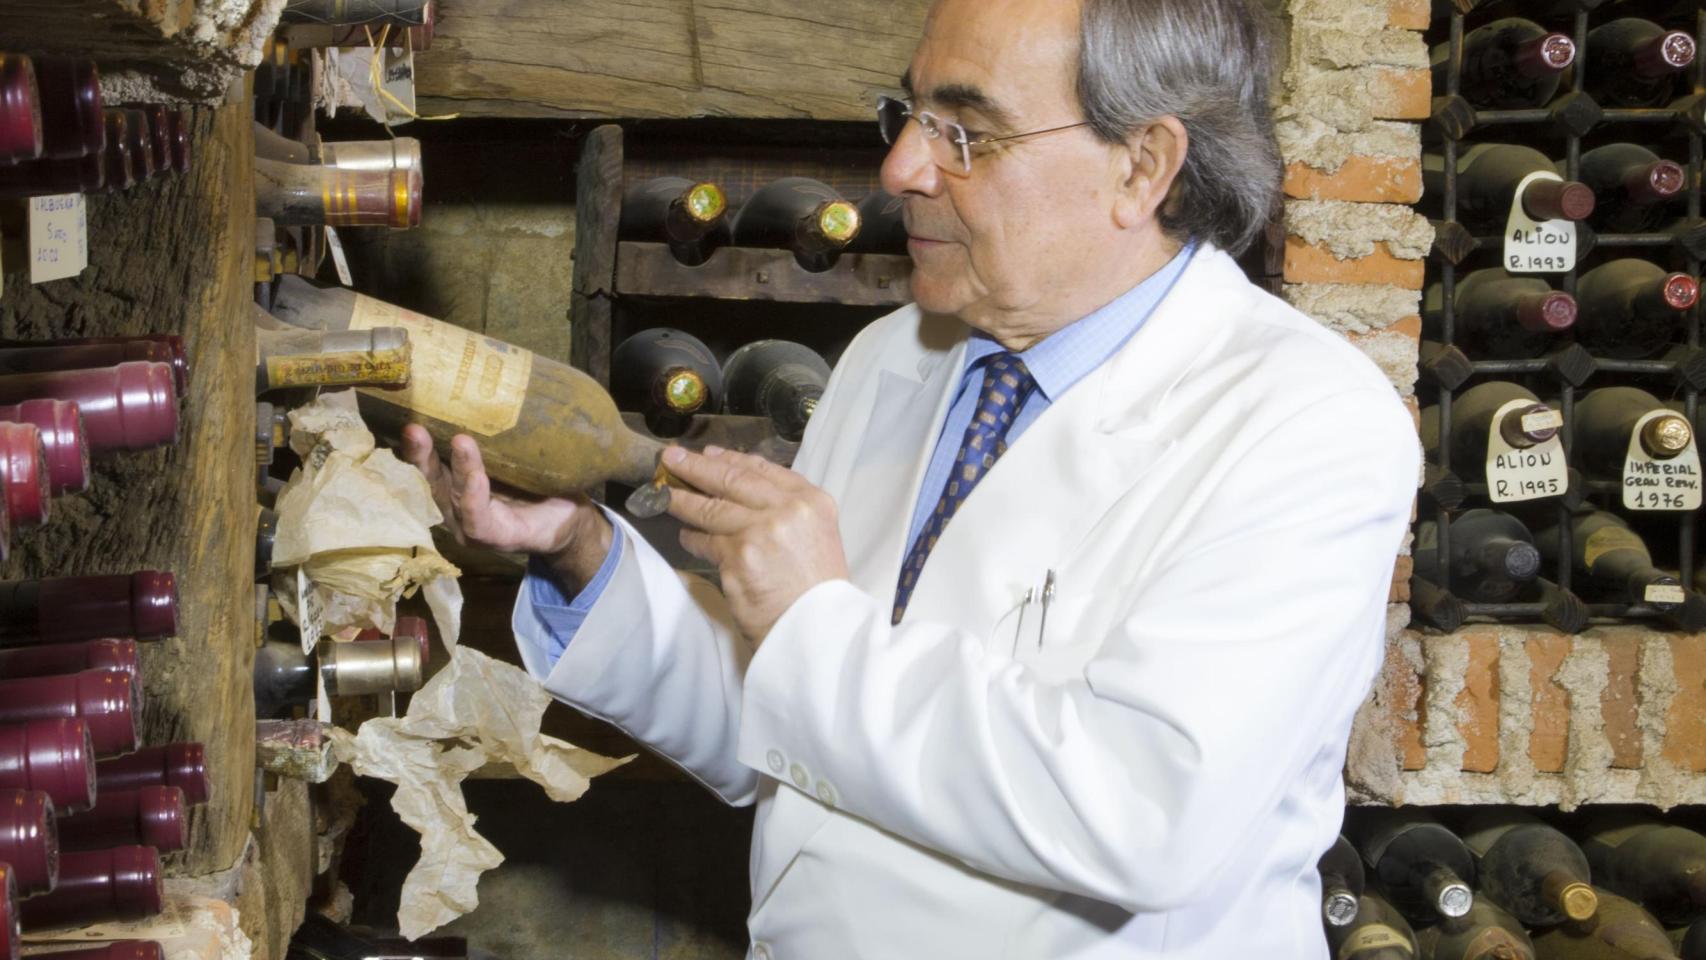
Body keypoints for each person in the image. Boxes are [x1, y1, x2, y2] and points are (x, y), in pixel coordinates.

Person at [401, 0, 1420, 955]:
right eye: (908, 113)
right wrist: (583, 555)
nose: (898, 168)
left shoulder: (1301, 424)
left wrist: (809, 619)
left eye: (964, 132)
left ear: (1140, 167)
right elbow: (793, 725)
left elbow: (1140, 812)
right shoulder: (900, 356)